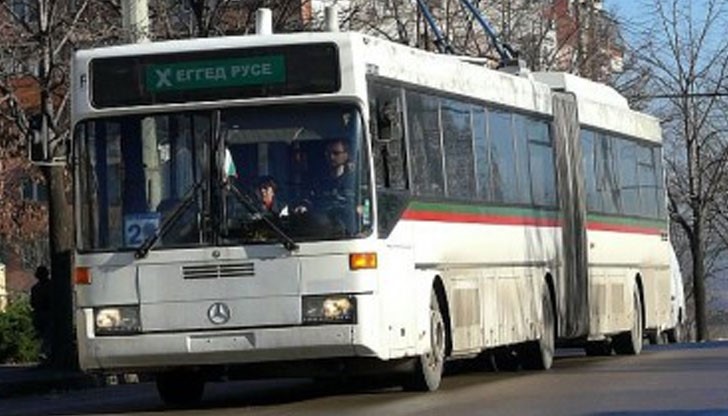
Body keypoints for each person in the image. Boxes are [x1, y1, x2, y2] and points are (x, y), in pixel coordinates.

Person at [30, 265, 52, 362]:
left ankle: (45, 353)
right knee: (48, 336)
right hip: (47, 314)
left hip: (39, 314)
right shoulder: (51, 286)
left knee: (45, 336)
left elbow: (32, 303)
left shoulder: (35, 288)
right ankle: (44, 353)